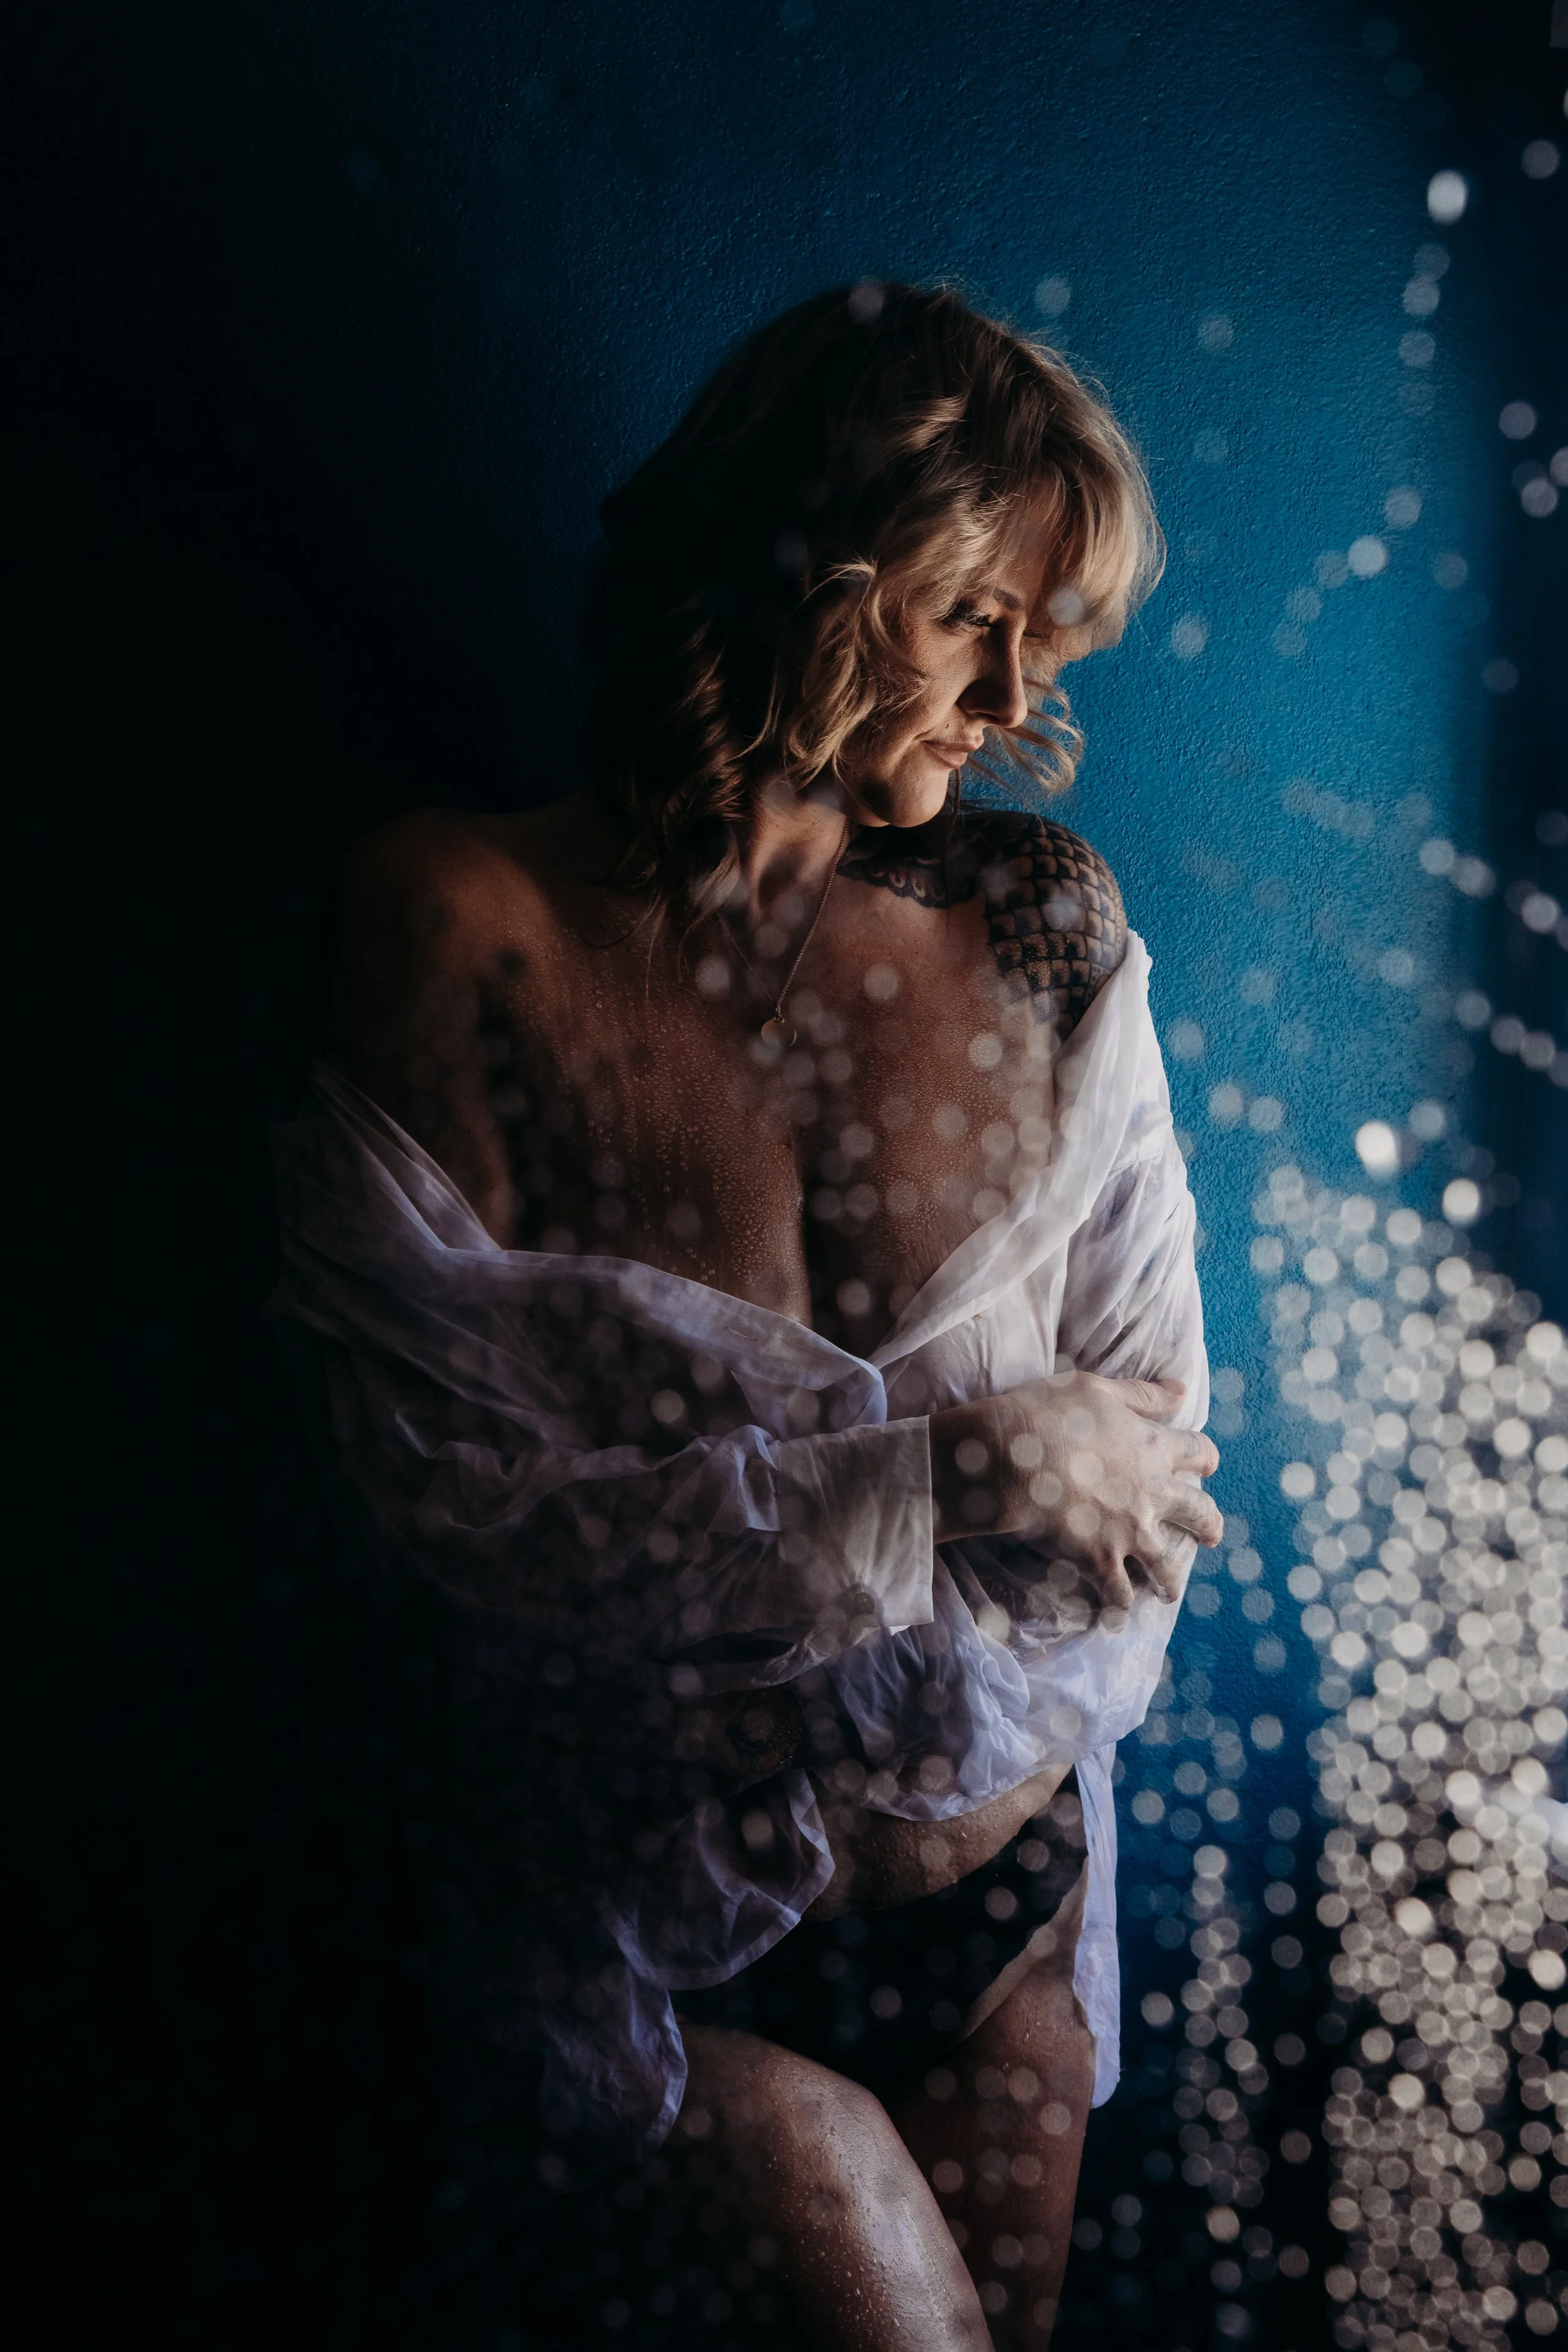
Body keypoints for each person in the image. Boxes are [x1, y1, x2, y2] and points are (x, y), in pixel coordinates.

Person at [272, 282, 1220, 2350]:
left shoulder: (1041, 932)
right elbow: (450, 1532)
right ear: (814, 556)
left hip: (1008, 1914)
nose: (1018, 690)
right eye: (983, 613)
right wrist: (957, 1470)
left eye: (1047, 636)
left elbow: (1150, 1469)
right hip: (641, 1963)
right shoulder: (461, 924)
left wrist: (822, 1536)